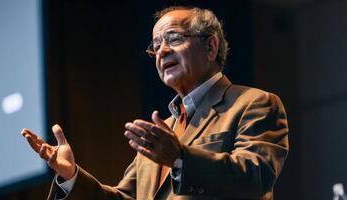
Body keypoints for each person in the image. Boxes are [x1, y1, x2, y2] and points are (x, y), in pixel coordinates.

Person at [21, 6, 289, 200]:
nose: (161, 51)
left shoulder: (253, 103)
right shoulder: (160, 134)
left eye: (174, 38)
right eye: (155, 45)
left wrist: (180, 158)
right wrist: (71, 177)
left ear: (210, 47)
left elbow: (256, 178)